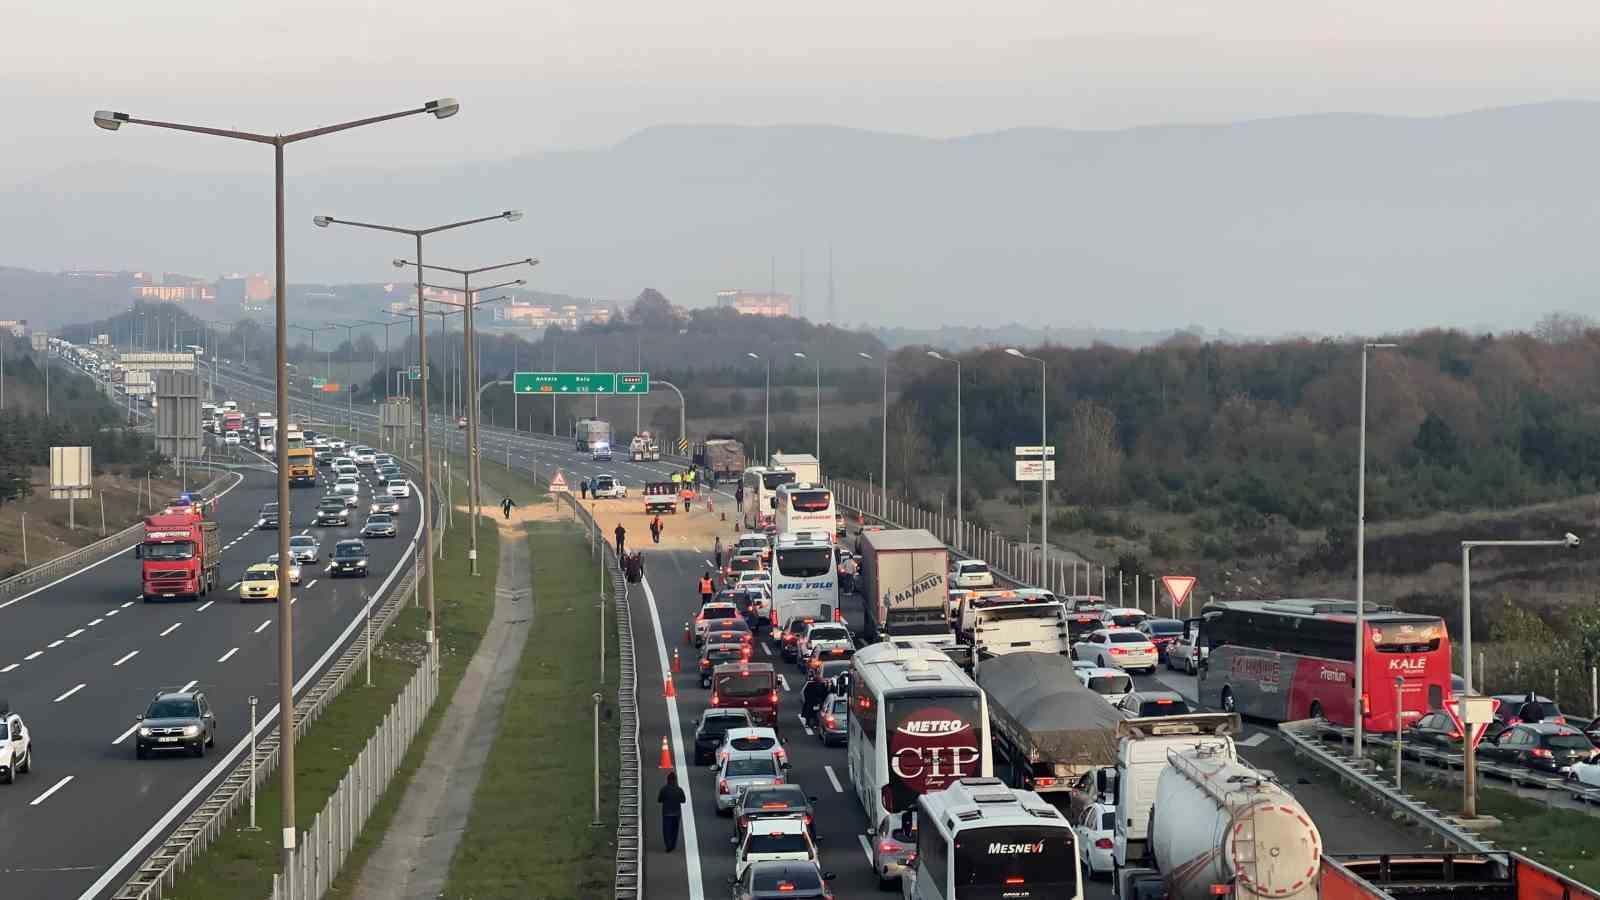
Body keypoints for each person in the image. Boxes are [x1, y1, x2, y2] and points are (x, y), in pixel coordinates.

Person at [658, 770, 687, 852]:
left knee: (666, 831)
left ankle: (668, 845)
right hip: (676, 814)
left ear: (667, 780)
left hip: (666, 813)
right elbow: (683, 800)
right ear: (675, 780)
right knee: (675, 830)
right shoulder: (679, 790)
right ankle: (673, 845)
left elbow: (659, 800)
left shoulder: (663, 789)